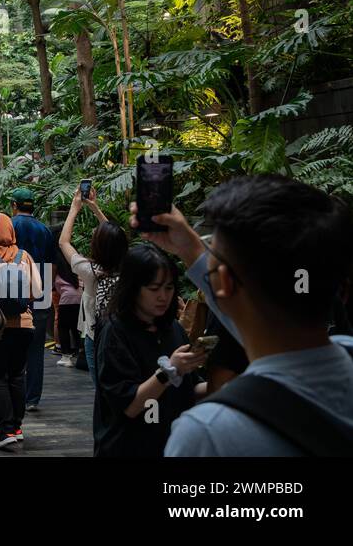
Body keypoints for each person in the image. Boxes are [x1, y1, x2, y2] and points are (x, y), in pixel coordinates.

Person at [137, 177, 353, 456]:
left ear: (224, 284)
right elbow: (274, 327)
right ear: (342, 289)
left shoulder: (209, 434)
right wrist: (191, 248)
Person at [93, 244, 204, 457]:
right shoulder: (115, 332)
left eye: (169, 288)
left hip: (171, 446)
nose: (163, 296)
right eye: (154, 289)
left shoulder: (173, 328)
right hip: (127, 448)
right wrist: (169, 371)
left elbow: (190, 388)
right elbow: (130, 406)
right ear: (133, 288)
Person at [0, 213, 42, 449]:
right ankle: (16, 426)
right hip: (24, 325)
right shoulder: (25, 256)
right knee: (17, 375)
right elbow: (36, 291)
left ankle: (5, 430)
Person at [58, 188, 127, 387]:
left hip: (96, 335)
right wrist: (95, 208)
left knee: (101, 388)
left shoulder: (90, 271)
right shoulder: (130, 266)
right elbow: (118, 236)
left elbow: (63, 242)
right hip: (125, 333)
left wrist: (75, 208)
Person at [9, 187, 55, 411]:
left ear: (14, 205)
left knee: (13, 344)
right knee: (36, 349)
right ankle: (32, 398)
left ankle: (14, 391)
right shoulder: (45, 230)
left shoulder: (9, 227)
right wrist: (47, 289)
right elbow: (52, 265)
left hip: (15, 293)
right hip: (41, 292)